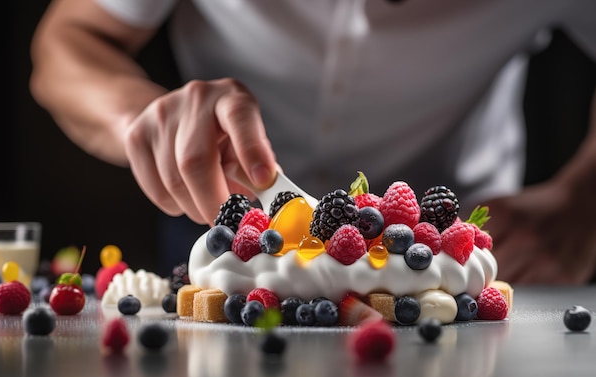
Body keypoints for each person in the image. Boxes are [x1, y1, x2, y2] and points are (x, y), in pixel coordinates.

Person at [29, 0, 596, 285]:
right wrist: (136, 116)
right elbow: (70, 39)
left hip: (459, 257)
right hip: (231, 229)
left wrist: (581, 199)